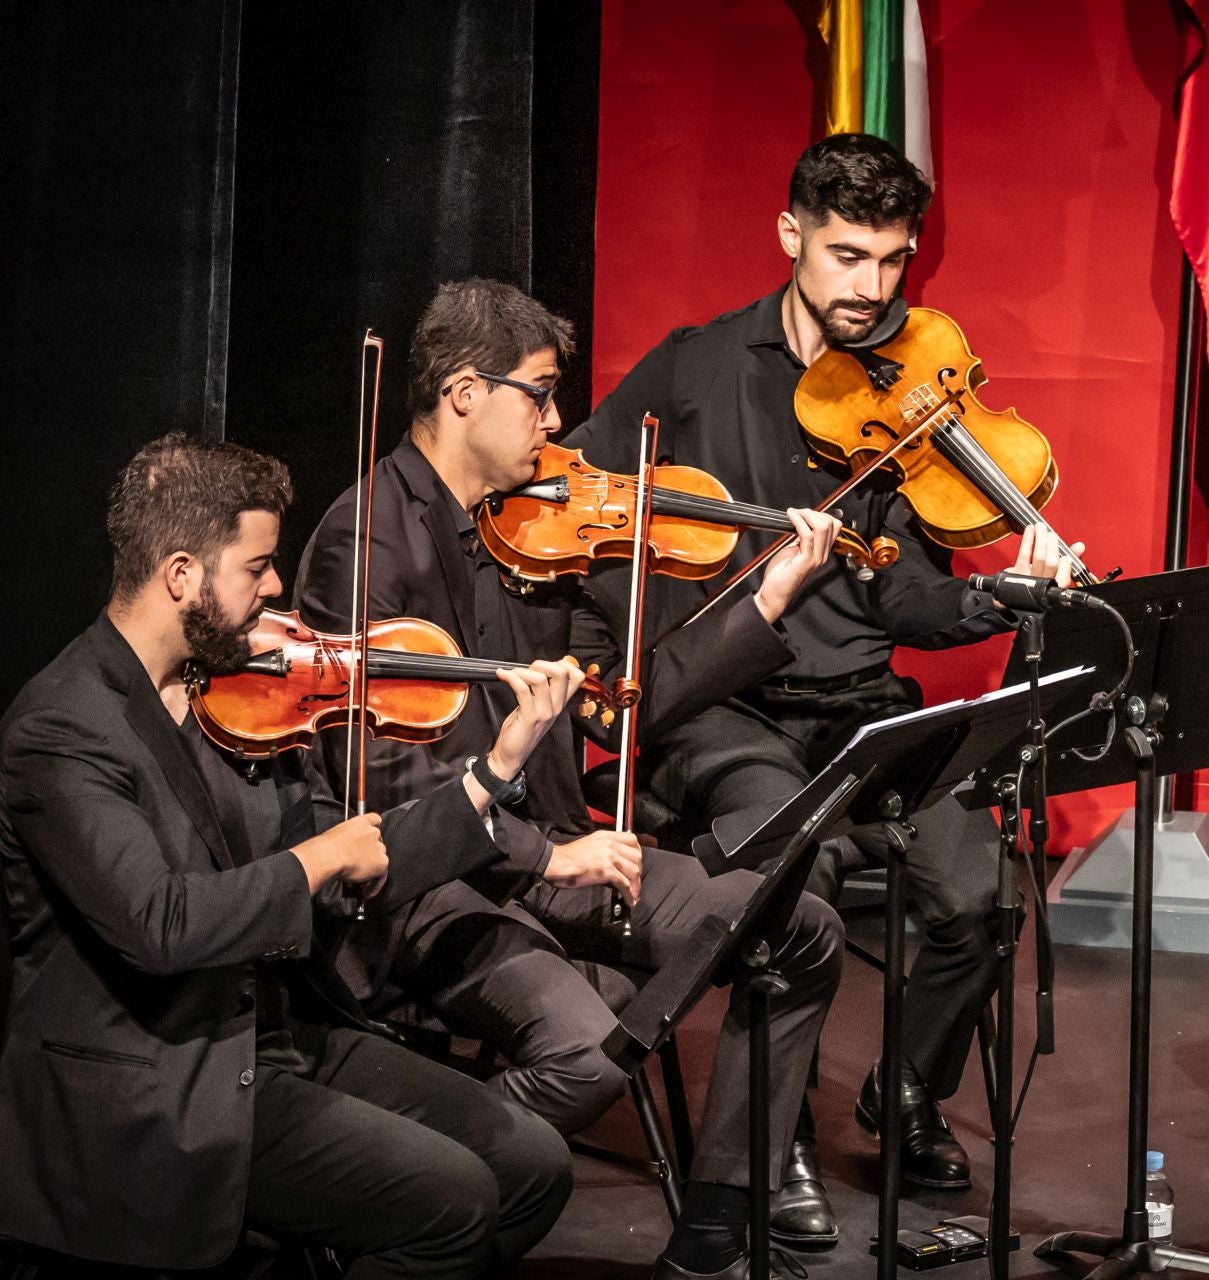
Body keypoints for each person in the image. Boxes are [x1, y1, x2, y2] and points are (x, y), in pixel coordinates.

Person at [568, 132, 1081, 1239]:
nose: (873, 288)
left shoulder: (901, 392)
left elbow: (909, 600)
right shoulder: (694, 368)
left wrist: (1000, 596)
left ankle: (903, 1092)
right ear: (791, 234)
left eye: (894, 262)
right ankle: (776, 1135)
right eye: (849, 256)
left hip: (862, 709)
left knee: (984, 894)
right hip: (728, 713)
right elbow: (580, 490)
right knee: (783, 895)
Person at [295, 278, 846, 1280]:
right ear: (465, 392)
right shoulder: (365, 540)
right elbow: (386, 791)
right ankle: (406, 1191)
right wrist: (556, 853)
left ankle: (715, 1218)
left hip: (560, 854)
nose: (557, 423)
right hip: (434, 882)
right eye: (540, 395)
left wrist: (761, 600)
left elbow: (618, 706)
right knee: (589, 1050)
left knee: (799, 919)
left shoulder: (526, 533)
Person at [0, 433, 581, 1276]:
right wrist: (314, 862)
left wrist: (491, 774)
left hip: (265, 1036)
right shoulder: (61, 731)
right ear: (182, 575)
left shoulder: (230, 696)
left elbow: (357, 859)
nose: (278, 588)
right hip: (159, 1084)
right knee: (452, 1200)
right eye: (258, 567)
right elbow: (162, 924)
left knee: (532, 1164)